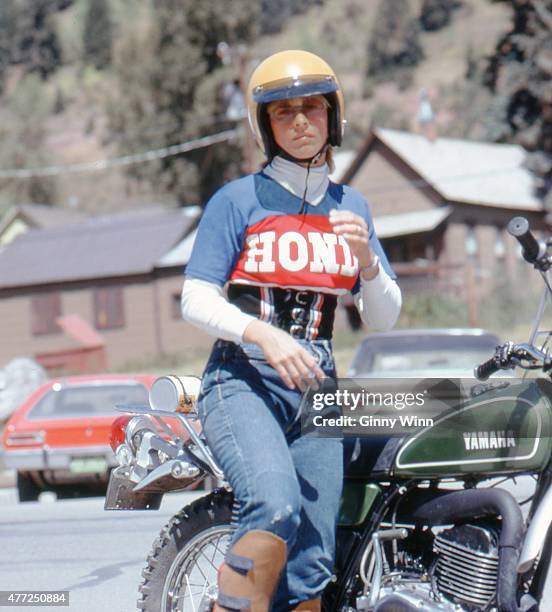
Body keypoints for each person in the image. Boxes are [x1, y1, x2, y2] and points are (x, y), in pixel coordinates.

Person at [181, 50, 401, 612]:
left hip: (318, 390)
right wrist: (264, 334)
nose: (300, 121)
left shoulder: (353, 207)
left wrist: (367, 265)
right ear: (265, 127)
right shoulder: (236, 201)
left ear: (333, 116)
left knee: (313, 561)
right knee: (274, 504)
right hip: (243, 380)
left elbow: (384, 316)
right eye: (283, 113)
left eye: (311, 108)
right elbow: (195, 299)